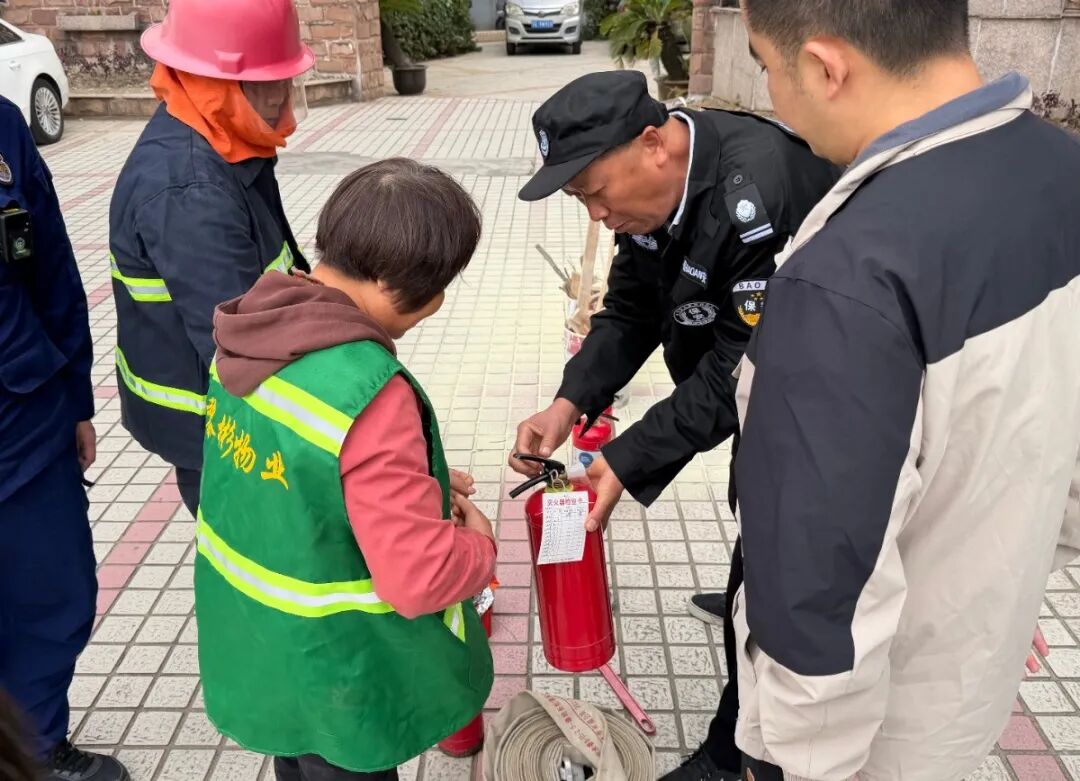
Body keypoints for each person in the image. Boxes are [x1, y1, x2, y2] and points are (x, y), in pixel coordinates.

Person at [727, 1, 1080, 779]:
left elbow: (817, 580)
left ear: (825, 67)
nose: (772, 98)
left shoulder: (849, 276)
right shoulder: (1062, 170)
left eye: (766, 66)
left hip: (875, 736)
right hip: (973, 670)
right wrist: (1014, 576)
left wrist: (798, 759)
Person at [509, 70, 838, 780]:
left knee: (778, 547)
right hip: (758, 387)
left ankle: (729, 755)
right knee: (757, 515)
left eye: (595, 191)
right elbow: (632, 309)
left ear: (653, 143)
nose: (596, 214)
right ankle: (752, 587)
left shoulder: (760, 198)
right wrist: (569, 400)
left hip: (826, 398)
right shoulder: (655, 195)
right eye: (580, 200)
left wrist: (627, 458)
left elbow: (740, 372)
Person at [194, 159, 496, 780]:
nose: (438, 303)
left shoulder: (250, 334)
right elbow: (417, 578)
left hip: (259, 640)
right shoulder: (367, 390)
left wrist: (415, 483)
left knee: (296, 765)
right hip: (339, 666)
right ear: (392, 283)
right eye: (437, 287)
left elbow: (300, 473)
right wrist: (479, 547)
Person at [109, 0, 313, 516]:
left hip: (230, 409)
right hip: (220, 427)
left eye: (284, 78)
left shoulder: (221, 137)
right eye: (263, 82)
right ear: (208, 80)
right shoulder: (190, 189)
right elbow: (244, 350)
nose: (279, 96)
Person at [0, 96, 128, 781]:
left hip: (21, 413)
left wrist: (77, 397)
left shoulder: (2, 125)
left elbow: (49, 263)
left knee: (54, 588)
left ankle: (35, 749)